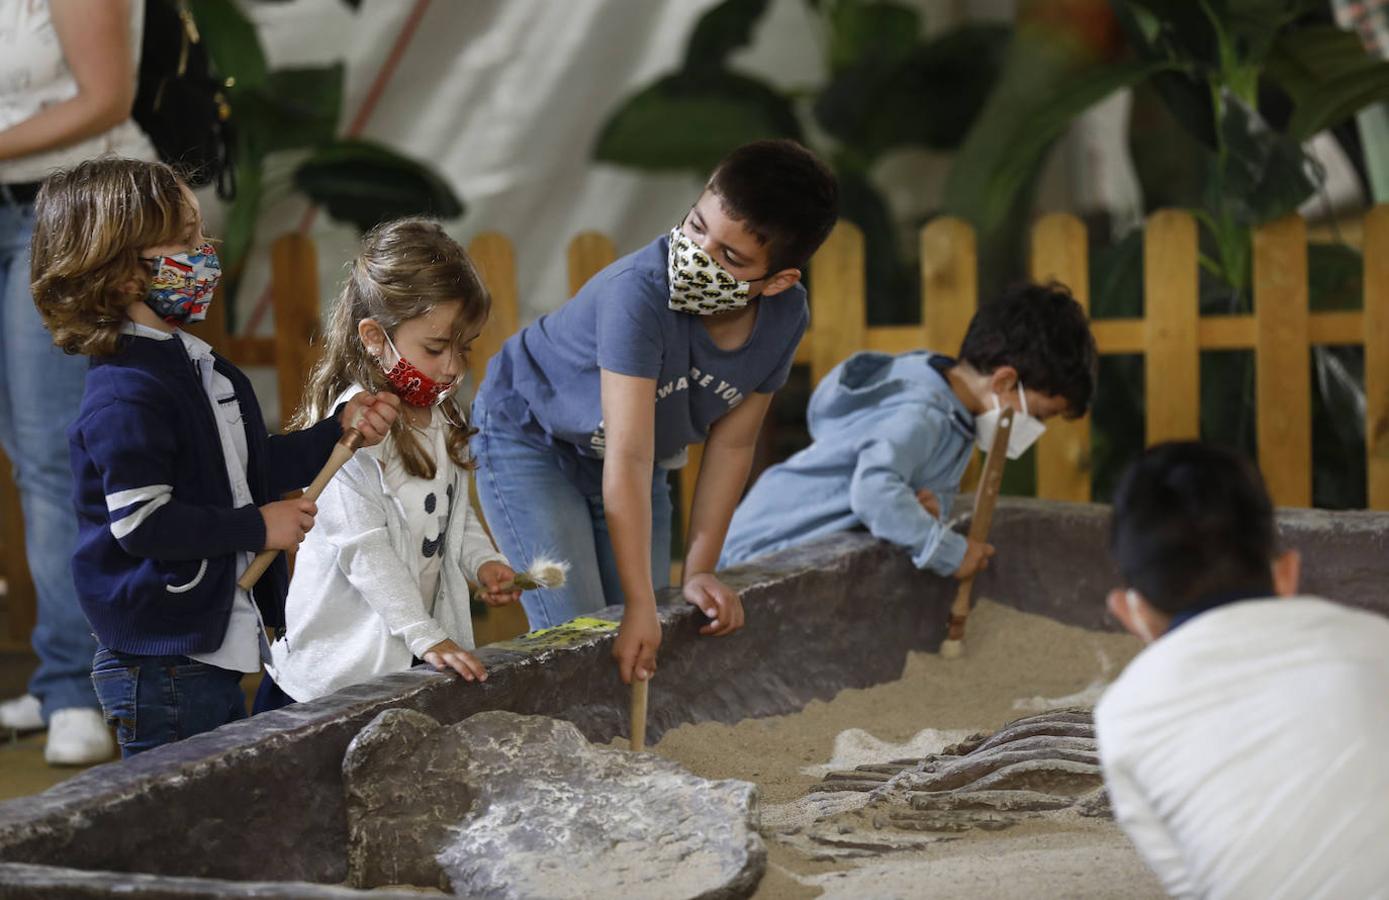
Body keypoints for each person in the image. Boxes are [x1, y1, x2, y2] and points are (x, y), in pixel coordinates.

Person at [28, 157, 400, 757]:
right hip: (162, 665)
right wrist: (259, 524)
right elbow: (143, 524)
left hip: (202, 653)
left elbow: (245, 471)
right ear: (124, 274)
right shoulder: (126, 394)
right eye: (186, 241)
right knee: (179, 816)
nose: (207, 253)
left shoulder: (193, 365)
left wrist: (338, 431)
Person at [472, 139, 838, 684]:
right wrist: (640, 604)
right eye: (696, 227)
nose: (699, 255)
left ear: (779, 281)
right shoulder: (638, 293)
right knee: (580, 634)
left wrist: (699, 570)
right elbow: (629, 450)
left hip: (636, 459)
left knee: (644, 642)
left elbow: (732, 445)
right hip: (531, 437)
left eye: (731, 257)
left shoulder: (785, 318)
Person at [1095, 441, 1389, 898]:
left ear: (1130, 613)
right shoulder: (1377, 641)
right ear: (1287, 572)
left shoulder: (1122, 716)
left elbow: (1192, 885)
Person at [263, 219, 519, 705]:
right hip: (330, 680)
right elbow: (364, 550)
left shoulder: (441, 413)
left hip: (406, 659)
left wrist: (484, 563)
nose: (452, 368)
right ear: (375, 337)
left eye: (463, 350)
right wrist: (426, 637)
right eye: (436, 348)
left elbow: (453, 517)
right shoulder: (348, 428)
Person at [0, 0, 158, 764]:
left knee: (58, 457)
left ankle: (88, 686)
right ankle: (65, 669)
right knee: (25, 455)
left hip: (70, 208)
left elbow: (105, 98)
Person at [720, 281, 1096, 580]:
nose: (1036, 429)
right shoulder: (923, 414)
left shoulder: (957, 416)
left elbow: (897, 494)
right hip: (764, 551)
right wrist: (948, 551)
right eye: (1041, 416)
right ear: (1003, 382)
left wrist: (923, 511)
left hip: (796, 552)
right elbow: (873, 493)